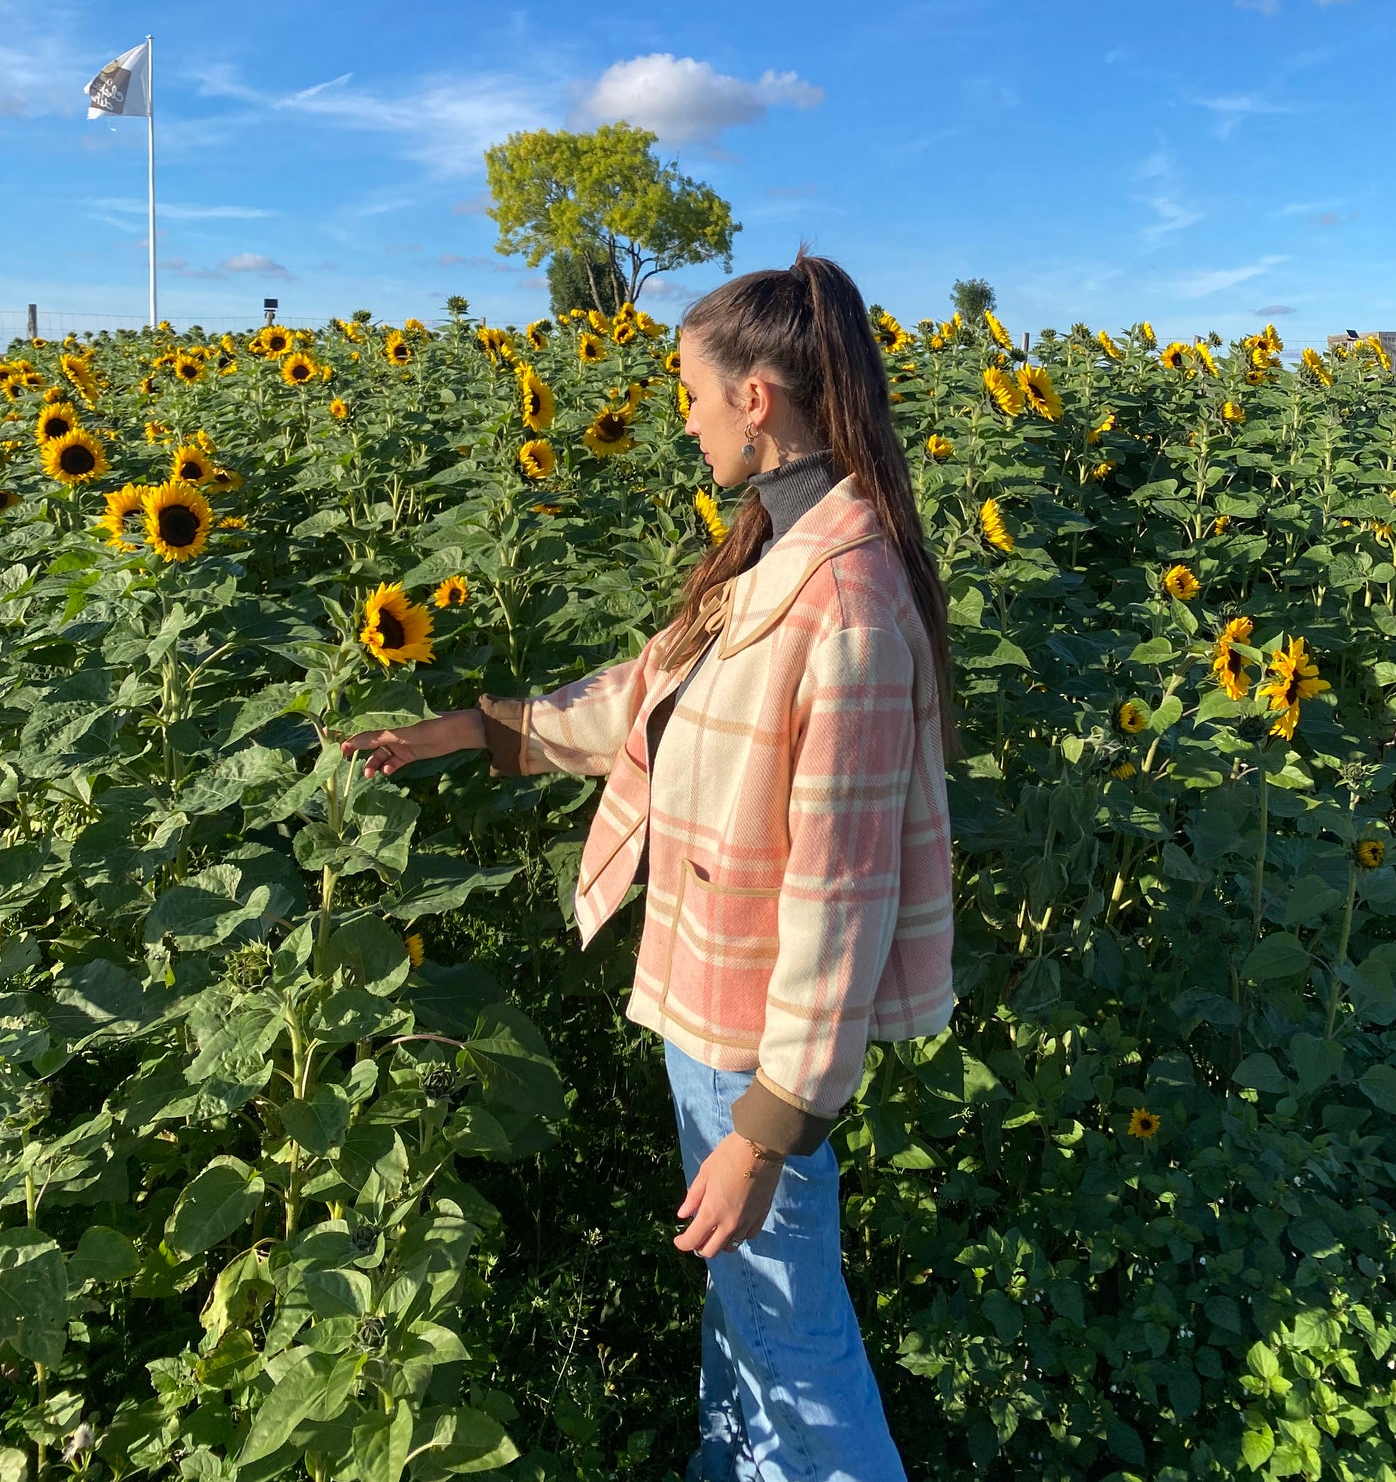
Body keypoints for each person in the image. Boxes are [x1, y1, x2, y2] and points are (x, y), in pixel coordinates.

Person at [340, 252, 956, 1482]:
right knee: (746, 1314)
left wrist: (768, 1128)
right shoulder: (769, 560)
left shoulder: (847, 604)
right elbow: (643, 693)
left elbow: (842, 898)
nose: (679, 417)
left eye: (688, 391)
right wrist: (473, 729)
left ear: (757, 399)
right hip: (710, 1017)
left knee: (794, 1337)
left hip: (755, 1054)